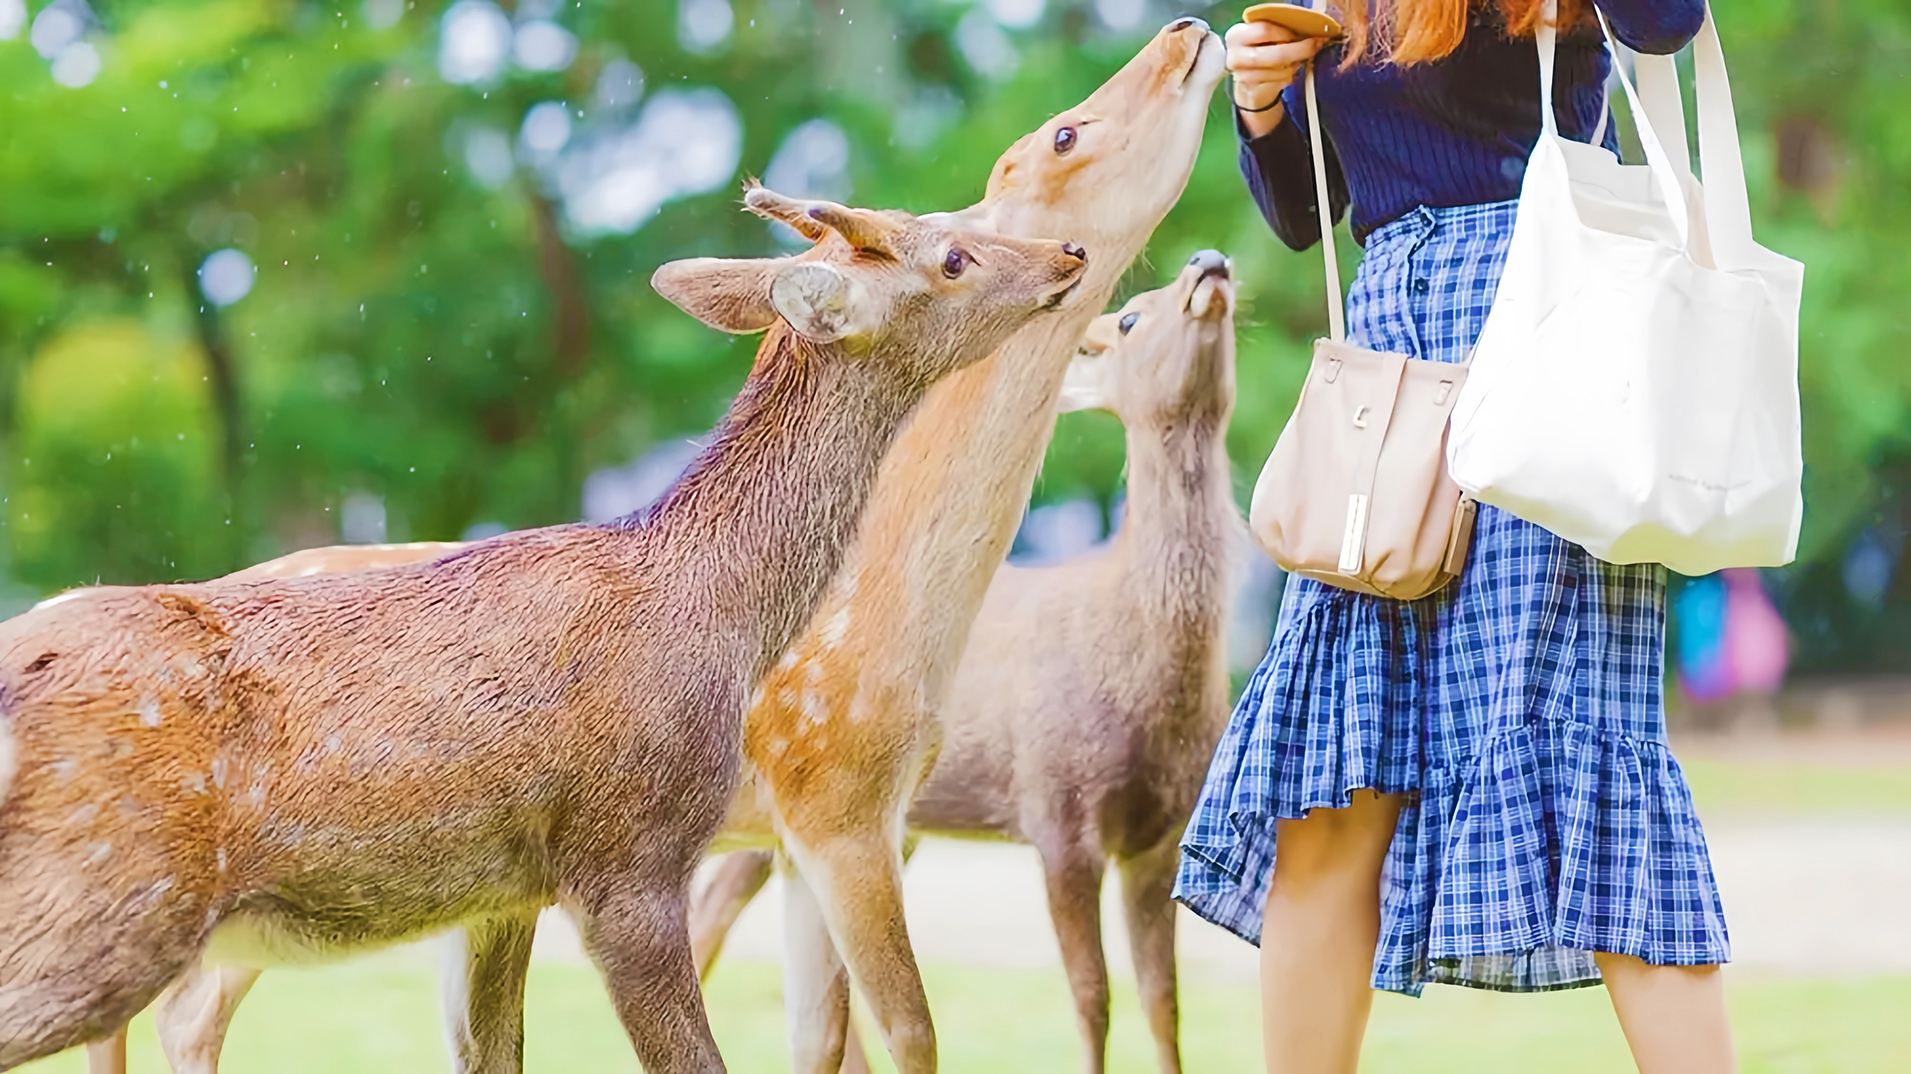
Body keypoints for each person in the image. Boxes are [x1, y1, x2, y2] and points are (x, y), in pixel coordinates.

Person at [1173, 3, 1732, 1072]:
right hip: (1389, 364)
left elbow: (1665, 24)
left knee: (1586, 746)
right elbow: (1312, 214)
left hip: (1550, 330)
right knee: (1333, 788)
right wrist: (1260, 104)